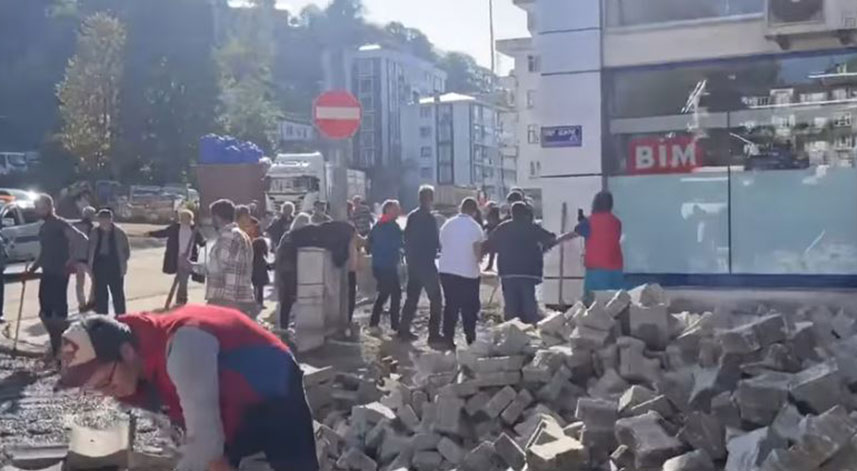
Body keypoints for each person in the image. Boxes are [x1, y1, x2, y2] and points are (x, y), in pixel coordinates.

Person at [56, 305, 318, 471]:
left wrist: (208, 456)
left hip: (272, 389)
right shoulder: (137, 369)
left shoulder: (183, 348)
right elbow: (197, 444)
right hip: (224, 400)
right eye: (95, 388)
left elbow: (206, 445)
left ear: (126, 352)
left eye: (106, 381)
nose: (107, 392)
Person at [484, 202, 576, 324]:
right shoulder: (531, 227)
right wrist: (566, 236)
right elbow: (550, 239)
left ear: (511, 213)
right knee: (529, 307)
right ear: (525, 213)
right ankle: (530, 329)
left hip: (508, 273)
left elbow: (489, 244)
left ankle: (511, 329)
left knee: (511, 307)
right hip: (528, 273)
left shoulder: (503, 228)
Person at [26, 194, 88, 357]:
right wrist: (33, 269)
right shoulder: (44, 227)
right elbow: (44, 252)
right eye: (37, 208)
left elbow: (80, 238)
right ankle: (55, 344)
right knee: (45, 309)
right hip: (47, 271)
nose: (38, 211)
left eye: (41, 207)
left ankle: (62, 347)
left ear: (49, 207)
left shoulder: (60, 224)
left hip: (60, 272)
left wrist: (72, 259)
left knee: (59, 309)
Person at [185, 199, 257, 316]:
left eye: (212, 217)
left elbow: (216, 268)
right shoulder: (242, 235)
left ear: (217, 217)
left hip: (226, 300)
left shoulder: (228, 236)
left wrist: (191, 266)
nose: (211, 221)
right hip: (241, 298)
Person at [438, 198, 485, 348]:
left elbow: (443, 244)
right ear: (474, 211)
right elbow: (477, 252)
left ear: (461, 208)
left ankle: (448, 337)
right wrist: (480, 261)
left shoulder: (447, 224)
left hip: (446, 270)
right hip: (468, 272)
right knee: (469, 306)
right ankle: (470, 337)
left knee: (451, 304)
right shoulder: (475, 227)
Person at [400, 185, 443, 343]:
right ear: (430, 199)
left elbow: (406, 238)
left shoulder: (412, 216)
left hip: (413, 263)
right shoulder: (430, 219)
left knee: (412, 298)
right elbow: (435, 241)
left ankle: (403, 329)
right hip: (426, 263)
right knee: (436, 299)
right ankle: (433, 333)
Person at [147, 210, 206, 305]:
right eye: (183, 217)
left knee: (183, 279)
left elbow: (201, 241)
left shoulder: (194, 229)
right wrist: (151, 234)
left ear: (190, 219)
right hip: (176, 257)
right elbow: (163, 233)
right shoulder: (175, 228)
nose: (184, 219)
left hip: (188, 259)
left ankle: (181, 299)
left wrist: (203, 242)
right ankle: (180, 299)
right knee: (181, 279)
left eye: (186, 218)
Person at [575, 191, 624, 296]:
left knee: (594, 301)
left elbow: (577, 231)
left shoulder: (589, 221)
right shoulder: (617, 222)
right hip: (616, 267)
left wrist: (555, 240)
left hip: (596, 268)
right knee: (614, 301)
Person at [367, 200, 403, 334]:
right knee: (394, 293)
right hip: (387, 265)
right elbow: (398, 244)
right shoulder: (391, 226)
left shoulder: (378, 225)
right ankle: (394, 325)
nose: (398, 211)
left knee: (385, 293)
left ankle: (376, 323)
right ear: (387, 210)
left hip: (379, 265)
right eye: (395, 209)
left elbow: (369, 242)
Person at [88, 209, 131, 315]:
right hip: (99, 264)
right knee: (100, 294)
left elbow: (126, 250)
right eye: (101, 219)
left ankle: (121, 316)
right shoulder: (94, 232)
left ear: (111, 219)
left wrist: (122, 261)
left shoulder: (119, 233)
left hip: (115, 265)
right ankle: (102, 316)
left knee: (117, 293)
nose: (103, 222)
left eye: (106, 219)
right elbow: (89, 249)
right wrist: (90, 265)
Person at [72, 206, 96, 311]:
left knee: (79, 283)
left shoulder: (75, 226)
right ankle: (91, 301)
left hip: (76, 257)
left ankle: (81, 304)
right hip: (86, 258)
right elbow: (92, 244)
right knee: (95, 280)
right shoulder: (92, 228)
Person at [252, 238, 271, 307]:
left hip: (254, 275)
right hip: (261, 275)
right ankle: (259, 303)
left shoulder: (253, 256)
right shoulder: (261, 257)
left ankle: (255, 302)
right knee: (260, 289)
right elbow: (266, 266)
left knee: (255, 289)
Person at [483, 203, 501, 271]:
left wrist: (485, 227)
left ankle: (490, 265)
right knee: (493, 251)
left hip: (492, 234)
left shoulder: (492, 214)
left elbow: (491, 223)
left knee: (492, 251)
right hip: (495, 234)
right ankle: (491, 266)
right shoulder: (496, 213)